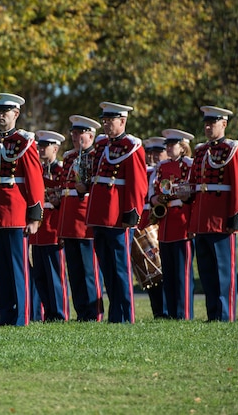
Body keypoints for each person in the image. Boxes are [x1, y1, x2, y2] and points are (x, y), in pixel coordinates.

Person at [0, 93, 45, 326]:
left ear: (16, 114)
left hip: (16, 212)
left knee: (17, 268)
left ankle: (21, 317)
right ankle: (5, 316)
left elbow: (34, 180)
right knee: (1, 269)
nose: (1, 115)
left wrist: (34, 215)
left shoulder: (24, 140)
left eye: (6, 112)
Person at [184, 106, 238, 322]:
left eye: (212, 123)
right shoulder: (201, 151)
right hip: (203, 220)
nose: (207, 127)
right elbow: (195, 183)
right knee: (206, 271)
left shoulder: (234, 150)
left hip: (222, 220)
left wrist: (237, 216)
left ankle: (225, 315)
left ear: (223, 124)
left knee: (224, 272)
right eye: (206, 123)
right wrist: (186, 194)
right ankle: (213, 313)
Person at [85, 102, 148, 323]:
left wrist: (131, 213)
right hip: (100, 215)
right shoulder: (102, 144)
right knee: (107, 268)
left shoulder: (132, 146)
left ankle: (126, 316)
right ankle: (115, 315)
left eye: (110, 120)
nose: (106, 124)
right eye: (104, 120)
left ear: (122, 121)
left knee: (121, 269)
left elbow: (137, 184)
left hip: (118, 217)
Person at [58, 115, 104, 322]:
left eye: (79, 133)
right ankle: (81, 312)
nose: (75, 137)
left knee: (89, 271)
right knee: (75, 272)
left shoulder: (97, 156)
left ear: (91, 135)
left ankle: (94, 314)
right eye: (73, 133)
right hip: (69, 220)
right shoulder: (69, 157)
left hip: (85, 219)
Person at [150, 129, 195, 319]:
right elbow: (155, 189)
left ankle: (183, 313)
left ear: (183, 147)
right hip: (166, 222)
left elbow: (191, 193)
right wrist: (155, 199)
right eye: (167, 145)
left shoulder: (189, 165)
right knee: (168, 272)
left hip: (182, 220)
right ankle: (170, 313)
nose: (168, 148)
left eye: (172, 145)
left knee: (182, 273)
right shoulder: (162, 166)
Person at [30, 130, 69, 322]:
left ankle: (60, 314)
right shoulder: (36, 170)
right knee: (40, 276)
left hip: (53, 229)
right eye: (40, 146)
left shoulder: (61, 171)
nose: (41, 149)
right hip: (38, 232)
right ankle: (46, 314)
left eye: (45, 146)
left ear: (56, 148)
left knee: (55, 276)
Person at [139, 136, 168, 319]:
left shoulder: (165, 172)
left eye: (158, 153)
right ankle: (157, 310)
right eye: (150, 153)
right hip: (145, 223)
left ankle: (166, 310)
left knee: (162, 269)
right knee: (149, 271)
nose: (153, 157)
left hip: (160, 224)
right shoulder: (146, 172)